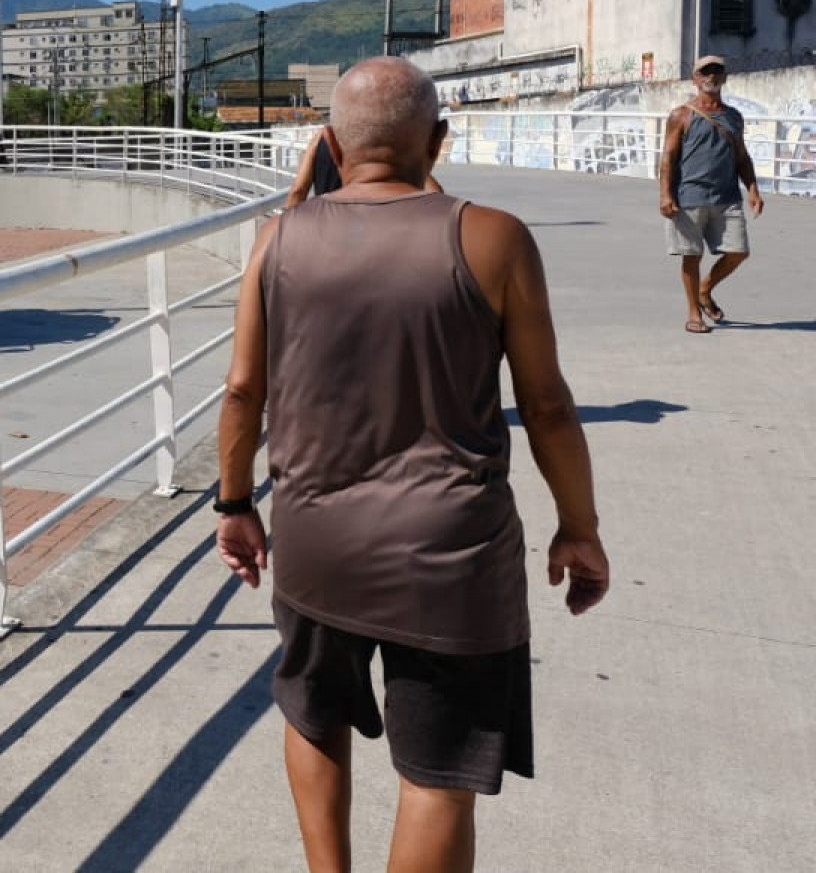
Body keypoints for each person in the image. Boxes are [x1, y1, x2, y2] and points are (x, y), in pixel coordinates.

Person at [215, 56, 609, 872]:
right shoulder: (492, 236)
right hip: (450, 559)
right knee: (436, 774)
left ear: (329, 141)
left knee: (313, 715)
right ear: (438, 140)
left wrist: (233, 505)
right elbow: (547, 407)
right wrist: (580, 526)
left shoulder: (276, 241)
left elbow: (243, 389)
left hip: (317, 544)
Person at [659, 54, 763, 334]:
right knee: (691, 256)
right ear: (694, 79)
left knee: (739, 252)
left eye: (717, 71)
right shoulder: (680, 115)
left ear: (725, 78)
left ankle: (705, 289)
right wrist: (665, 194)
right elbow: (668, 158)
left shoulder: (733, 117)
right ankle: (694, 313)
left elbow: (742, 157)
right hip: (689, 198)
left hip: (727, 198)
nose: (711, 77)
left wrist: (752, 188)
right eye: (705, 72)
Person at [285, 122, 445, 208]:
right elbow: (436, 195)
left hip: (326, 230)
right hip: (375, 232)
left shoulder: (322, 141)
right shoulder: (381, 141)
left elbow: (297, 192)